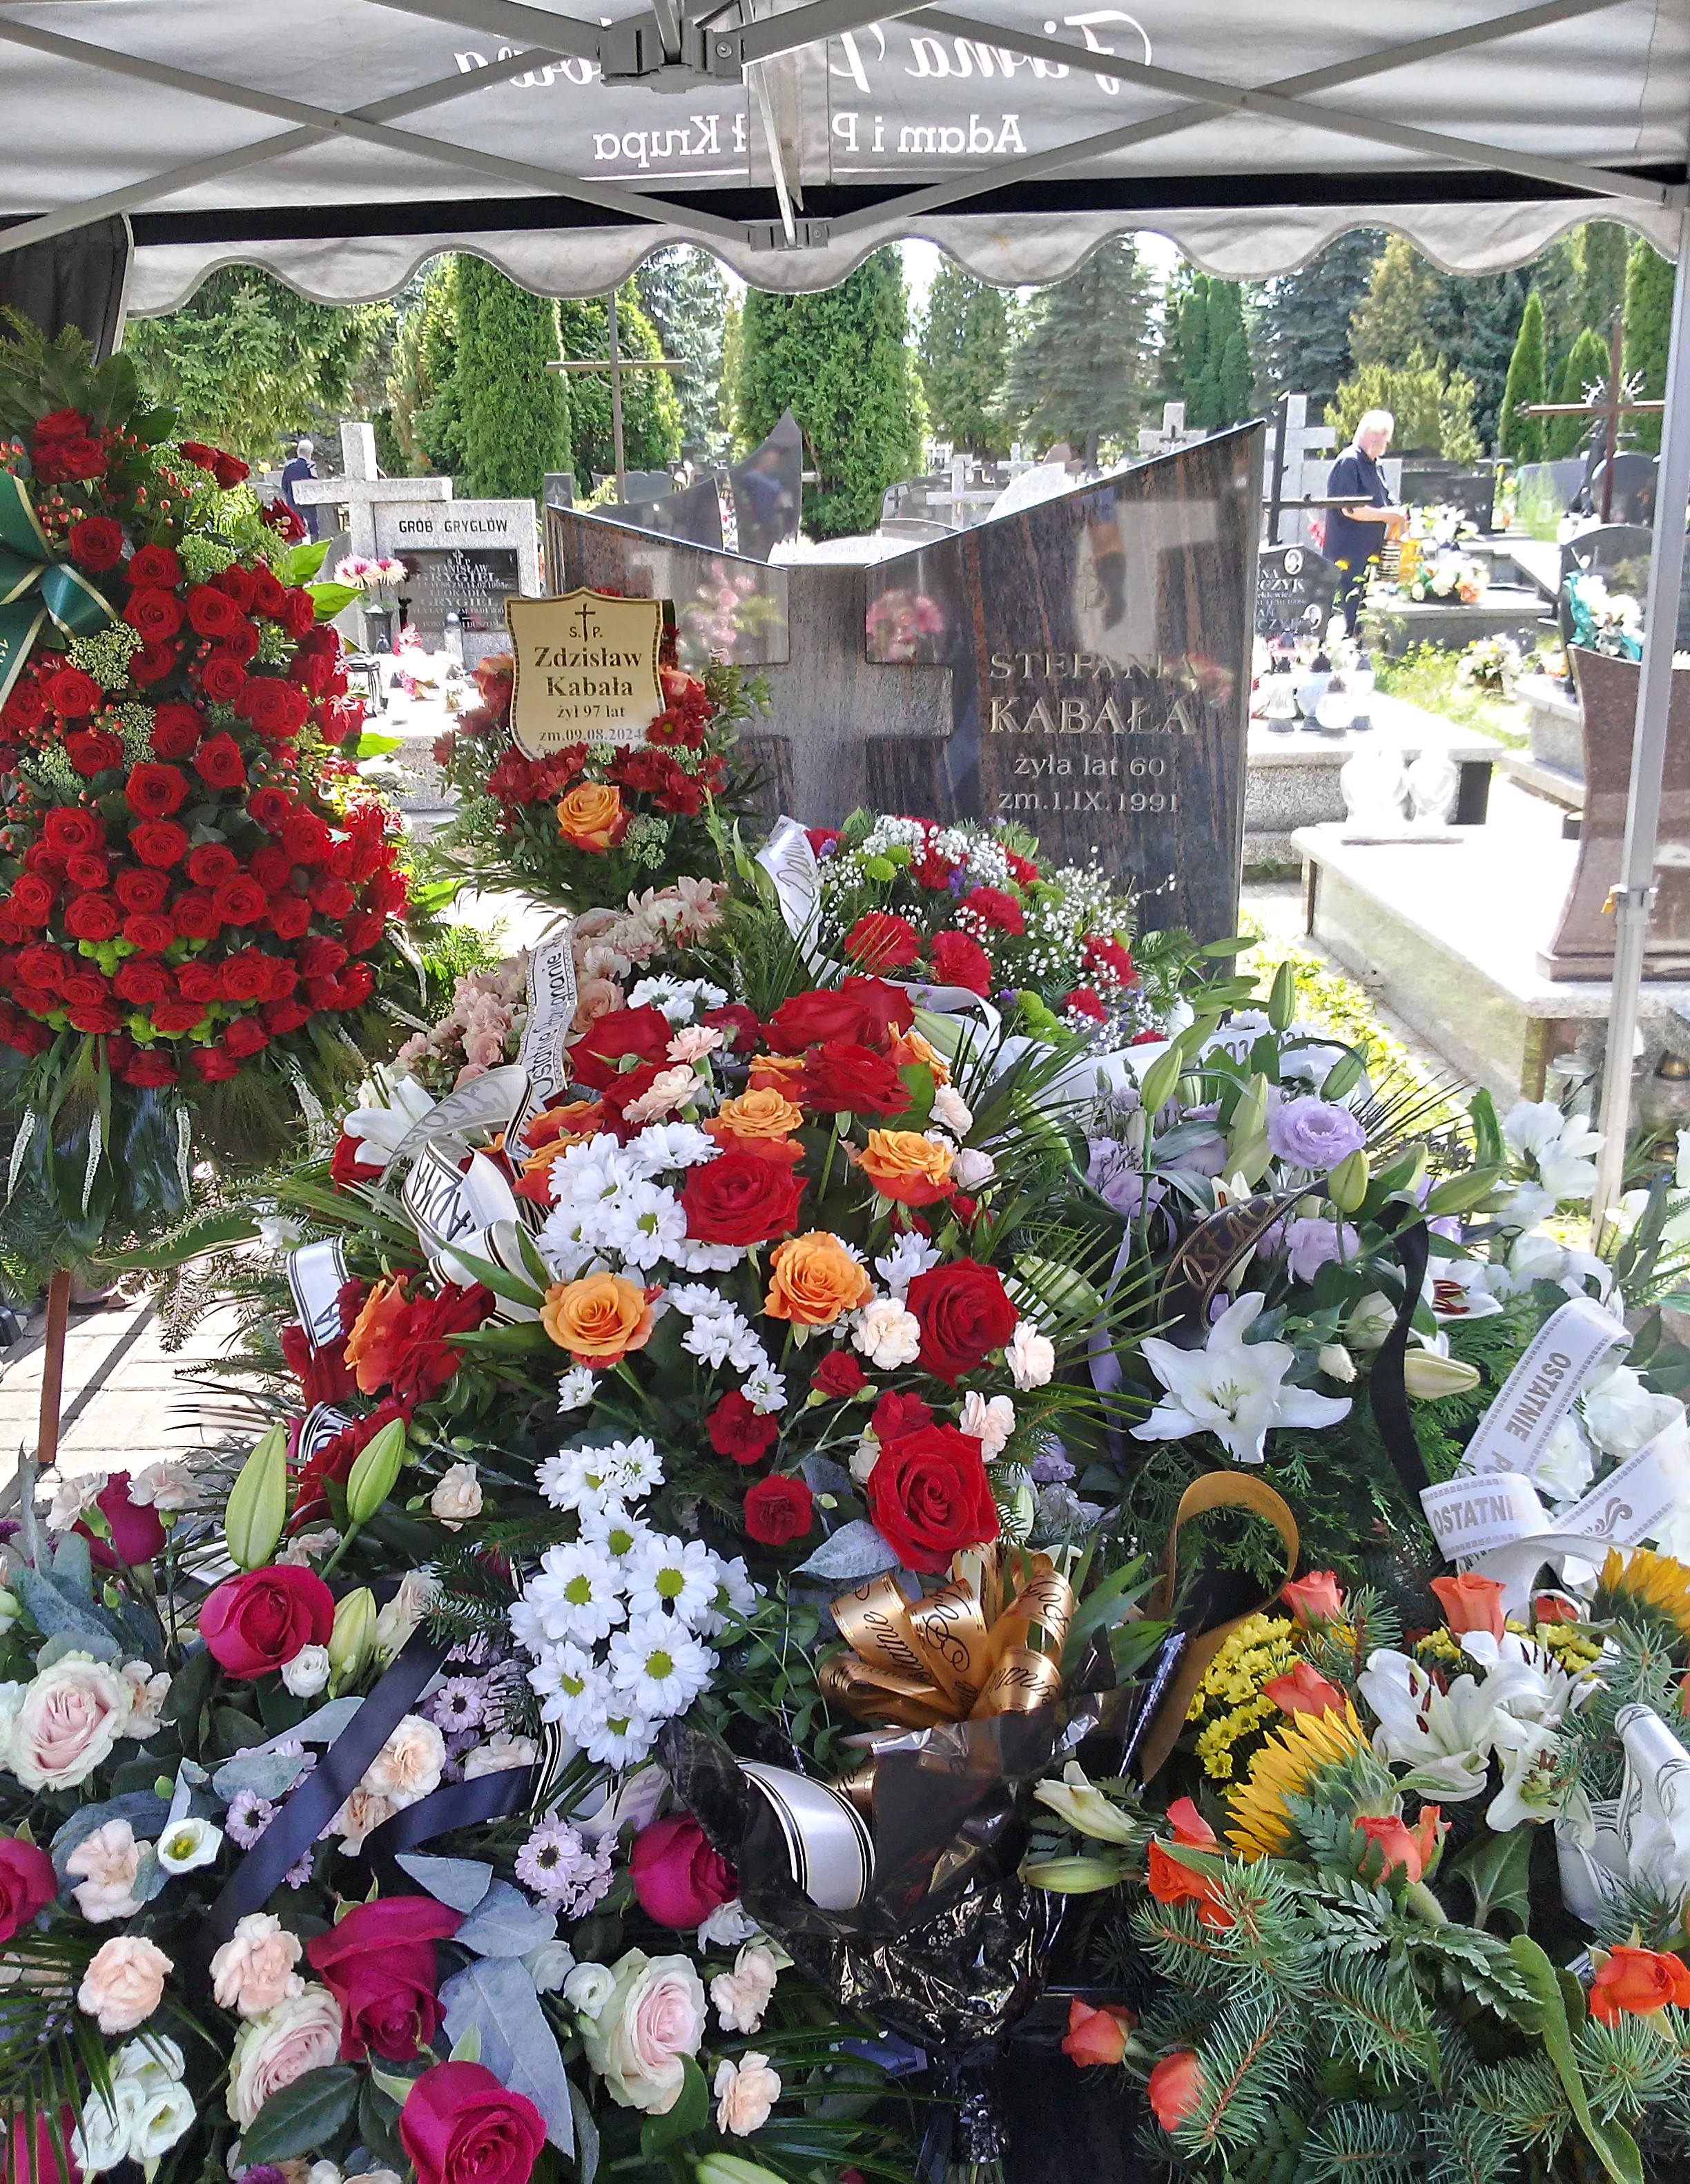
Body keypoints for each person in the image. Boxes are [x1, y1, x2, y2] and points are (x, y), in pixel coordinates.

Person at [1322, 409, 1406, 635]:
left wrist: (1400, 512)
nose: (1386, 446)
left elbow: (1385, 500)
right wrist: (1388, 516)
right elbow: (1350, 509)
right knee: (1344, 616)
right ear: (1374, 437)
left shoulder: (1375, 465)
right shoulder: (1349, 462)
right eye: (1385, 440)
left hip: (1368, 554)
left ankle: (1357, 645)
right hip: (1347, 555)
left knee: (1361, 614)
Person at [279, 436, 319, 540]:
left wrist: (289, 496)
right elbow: (314, 484)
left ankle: (297, 546)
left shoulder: (289, 466)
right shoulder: (310, 465)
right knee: (313, 527)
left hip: (292, 501)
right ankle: (315, 545)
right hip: (307, 502)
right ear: (309, 453)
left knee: (297, 528)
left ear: (298, 452)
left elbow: (284, 485)